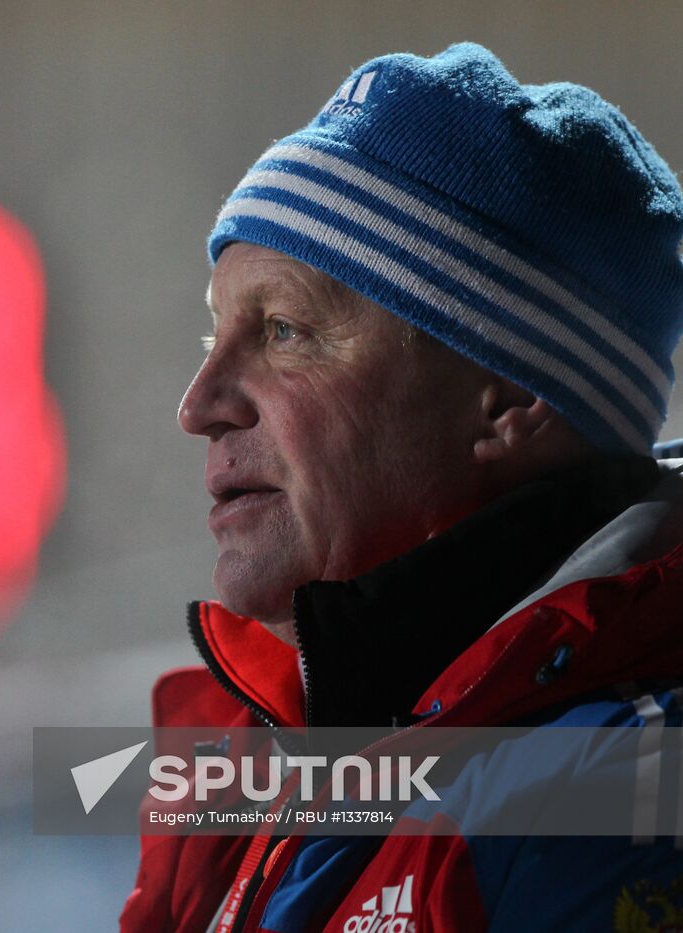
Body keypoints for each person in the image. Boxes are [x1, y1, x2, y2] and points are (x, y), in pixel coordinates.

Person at [121, 43, 683, 932]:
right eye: (212, 339)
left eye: (283, 330)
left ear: (510, 400)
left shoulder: (616, 803)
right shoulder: (263, 765)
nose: (201, 406)